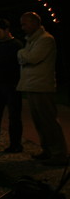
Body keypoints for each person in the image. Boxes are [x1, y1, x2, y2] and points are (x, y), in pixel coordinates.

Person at [16, 12, 68, 166]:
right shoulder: (32, 41)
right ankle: (48, 150)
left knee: (48, 121)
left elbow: (32, 58)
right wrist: (24, 55)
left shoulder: (45, 39)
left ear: (34, 23)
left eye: (25, 24)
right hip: (32, 85)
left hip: (41, 86)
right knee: (39, 121)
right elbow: (27, 58)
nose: (22, 27)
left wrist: (21, 53)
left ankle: (59, 154)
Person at [0, 18, 24, 153]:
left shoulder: (16, 45)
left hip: (12, 84)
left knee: (14, 116)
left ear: (7, 30)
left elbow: (13, 63)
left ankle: (15, 144)